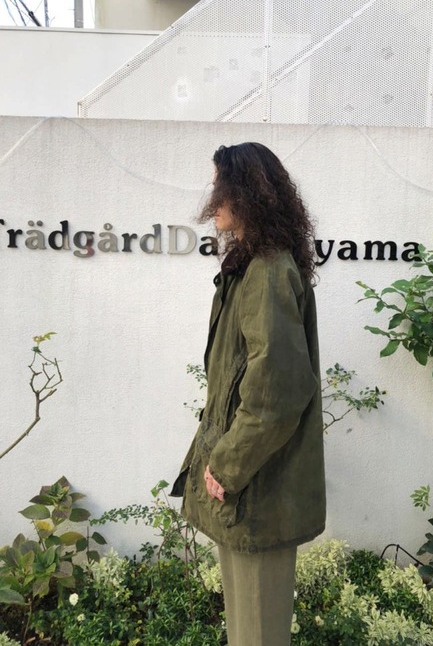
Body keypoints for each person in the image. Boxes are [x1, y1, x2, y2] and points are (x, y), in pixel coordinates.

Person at [171, 142, 326, 646]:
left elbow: (278, 390)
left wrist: (226, 465)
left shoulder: (267, 269)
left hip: (256, 486)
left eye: (221, 185)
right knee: (246, 627)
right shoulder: (251, 266)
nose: (213, 197)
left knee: (258, 631)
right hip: (249, 488)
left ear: (247, 192)